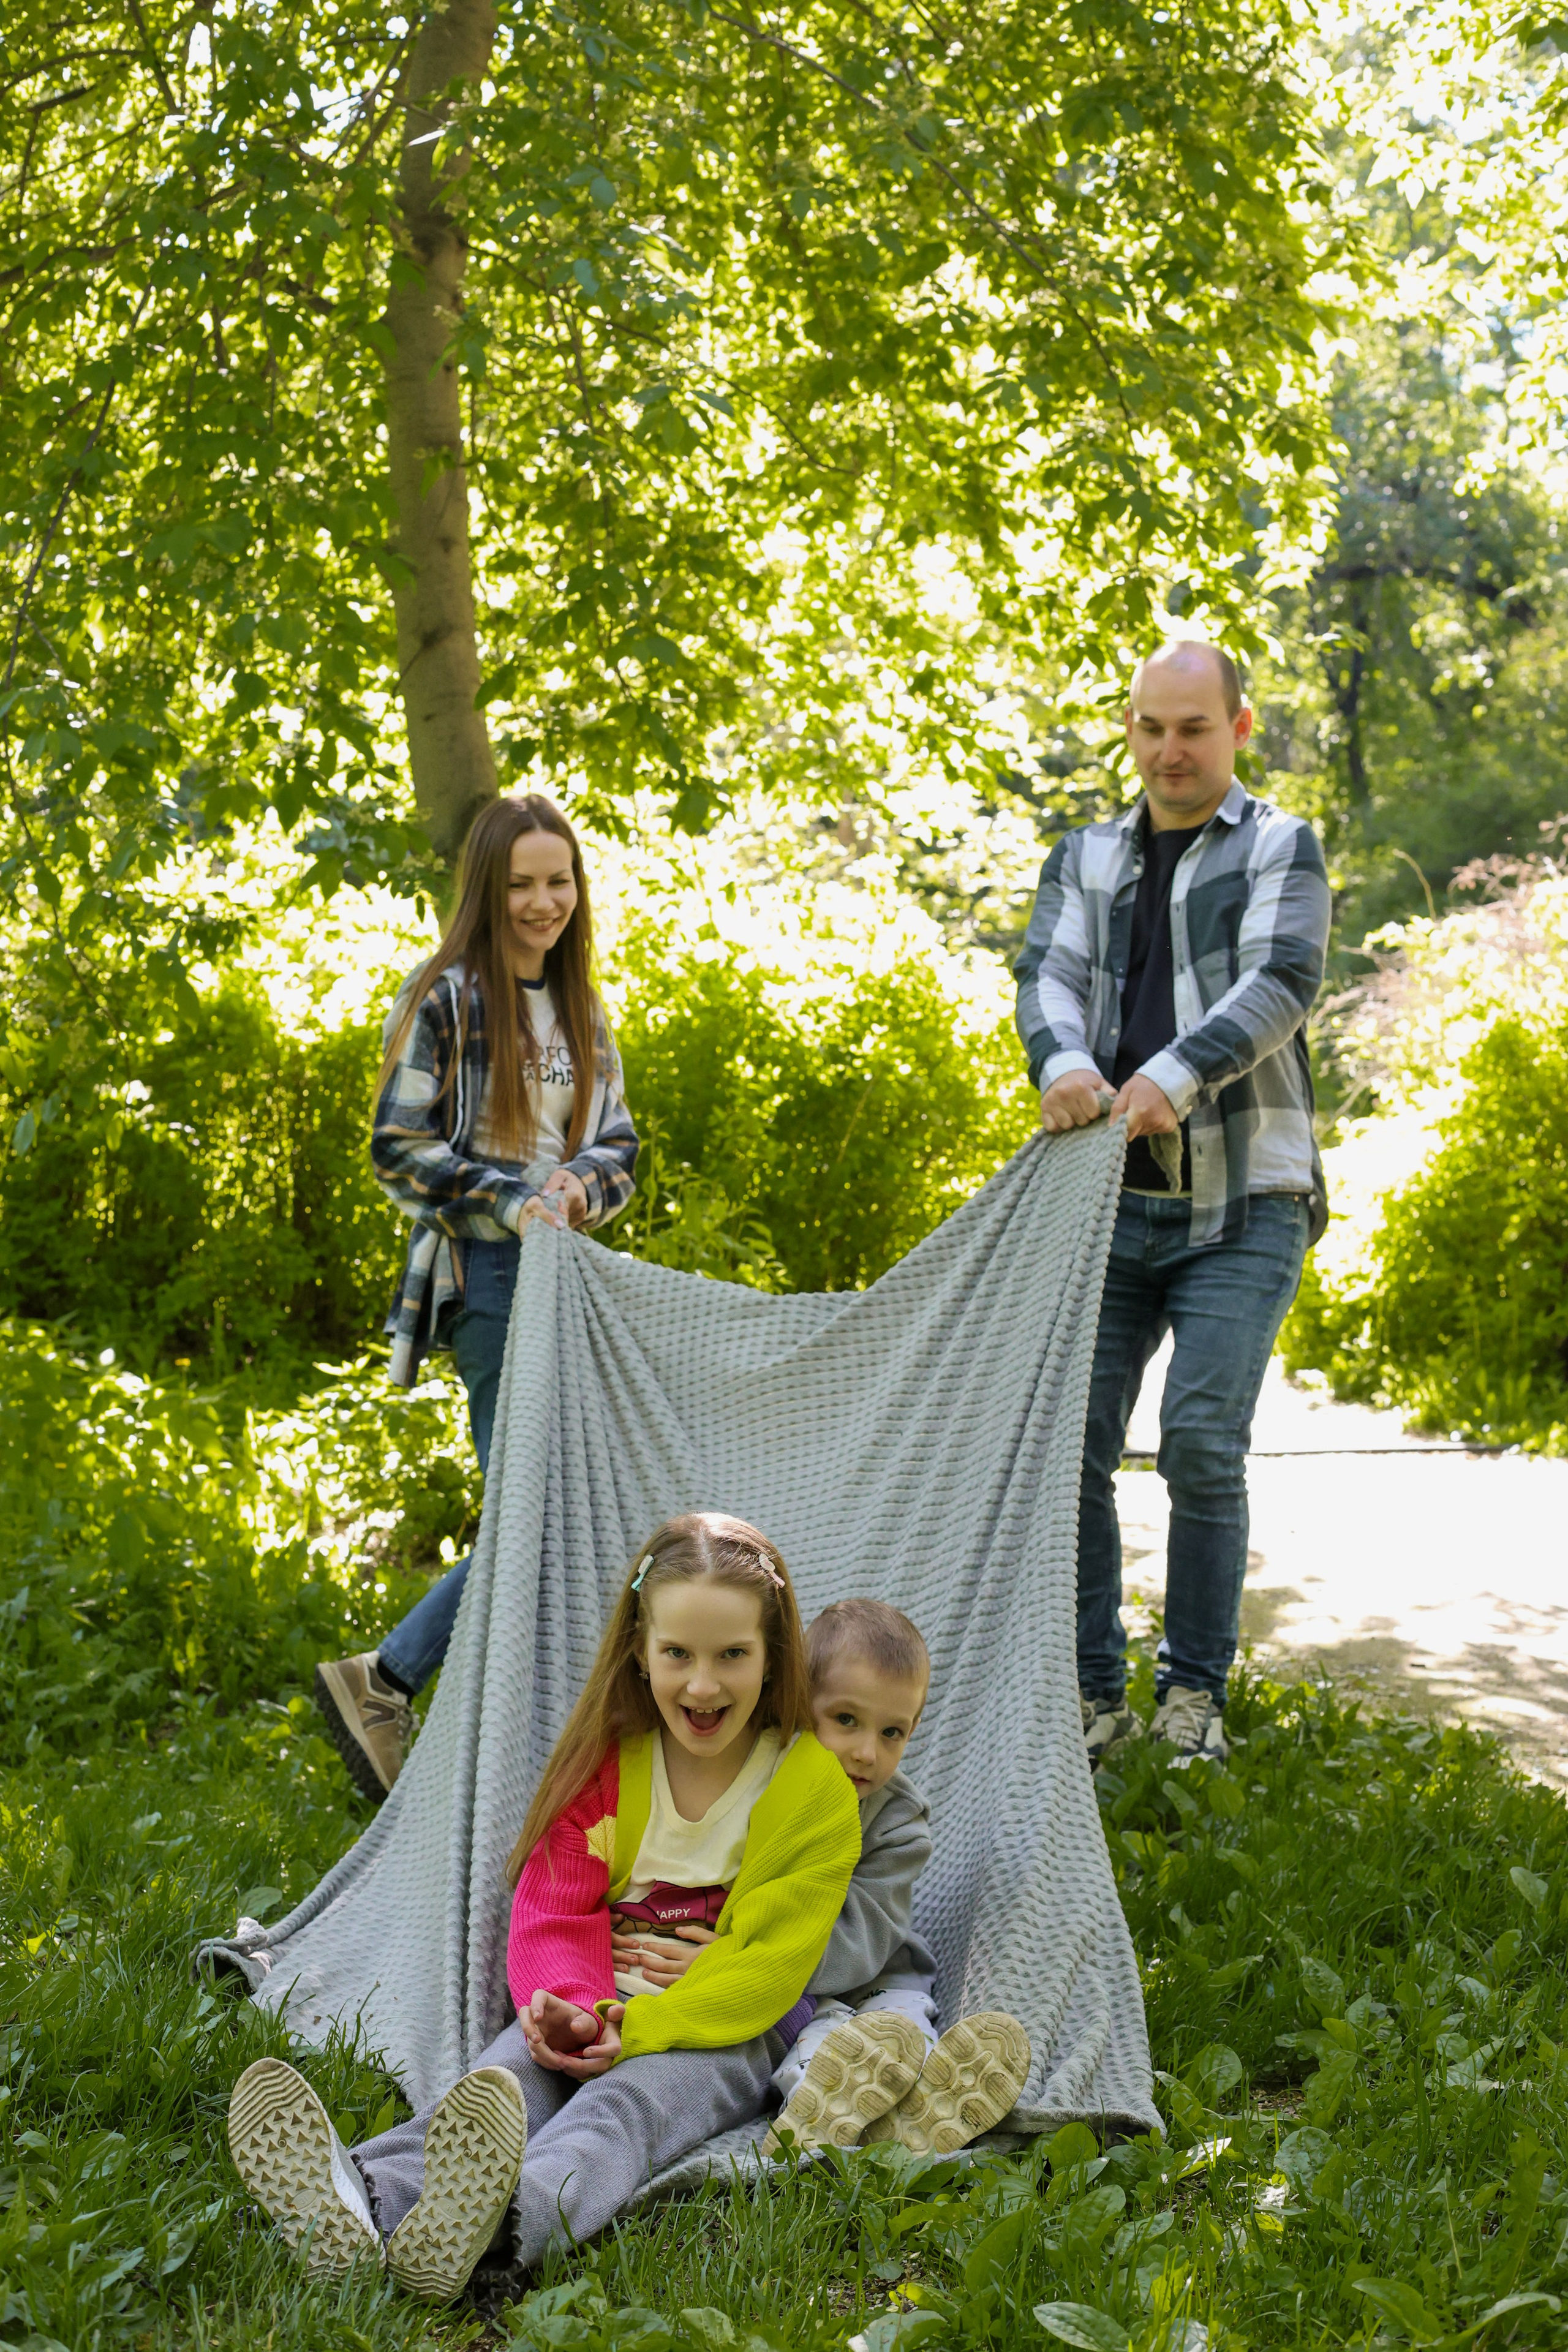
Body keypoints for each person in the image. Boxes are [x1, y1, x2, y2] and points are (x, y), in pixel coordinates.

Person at [227, 1512, 862, 2302]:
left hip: (723, 2029)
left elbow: (772, 1959)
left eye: (732, 1655)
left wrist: (643, 2031)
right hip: (598, 2004)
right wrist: (574, 2012)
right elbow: (556, 1908)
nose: (703, 1685)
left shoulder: (810, 1791)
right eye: (678, 1655)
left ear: (773, 1659)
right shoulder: (610, 1767)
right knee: (499, 2088)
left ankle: (493, 2233)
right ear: (640, 1651)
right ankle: (360, 2203)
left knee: (623, 2114)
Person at [1014, 642, 1331, 1768]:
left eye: (1193, 728)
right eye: (1150, 727)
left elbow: (1281, 982)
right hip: (1105, 1199)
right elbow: (1043, 975)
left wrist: (1172, 1075)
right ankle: (1093, 1696)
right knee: (1070, 1445)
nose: (1168, 751)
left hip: (1248, 1193)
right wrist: (1059, 1062)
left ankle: (1192, 1698)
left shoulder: (1284, 847)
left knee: (1201, 1439)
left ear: (1240, 729)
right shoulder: (1086, 856)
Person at [315, 794, 639, 1804]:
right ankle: (393, 1681)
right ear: (487, 891)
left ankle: (419, 1693)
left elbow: (624, 1145)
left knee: (551, 1506)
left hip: (573, 1277)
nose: (544, 903)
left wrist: (585, 1183)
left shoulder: (580, 1006)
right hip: (487, 1274)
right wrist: (517, 1198)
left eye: (560, 881)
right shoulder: (448, 994)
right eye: (522, 885)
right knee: (538, 1507)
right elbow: (398, 1150)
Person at [761, 1597, 1031, 2157]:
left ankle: (926, 2102)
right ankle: (819, 2109)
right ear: (799, 1705)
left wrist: (769, 1961)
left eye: (892, 1733)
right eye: (846, 1721)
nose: (866, 1752)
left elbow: (864, 1939)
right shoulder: (760, 1782)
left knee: (903, 2026)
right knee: (824, 2043)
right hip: (791, 1989)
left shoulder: (900, 1821)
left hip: (876, 1968)